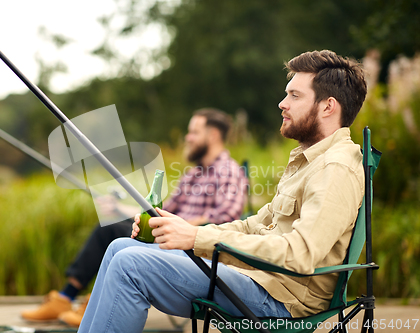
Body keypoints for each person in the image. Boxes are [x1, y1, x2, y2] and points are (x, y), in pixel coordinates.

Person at [76, 50, 368, 333]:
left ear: (328, 106)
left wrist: (198, 236)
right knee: (119, 248)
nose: (282, 103)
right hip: (259, 279)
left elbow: (301, 254)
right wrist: (179, 229)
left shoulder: (336, 167)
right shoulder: (308, 161)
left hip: (282, 298)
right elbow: (253, 224)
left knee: (130, 265)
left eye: (294, 95)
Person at [21, 108, 248, 326]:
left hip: (190, 247)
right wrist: (118, 207)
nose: (187, 137)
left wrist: (183, 228)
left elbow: (225, 219)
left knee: (110, 234)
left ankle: (87, 301)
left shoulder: (229, 172)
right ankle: (68, 299)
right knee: (110, 228)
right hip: (167, 236)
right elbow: (159, 212)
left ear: (214, 135)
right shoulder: (192, 175)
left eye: (194, 132)